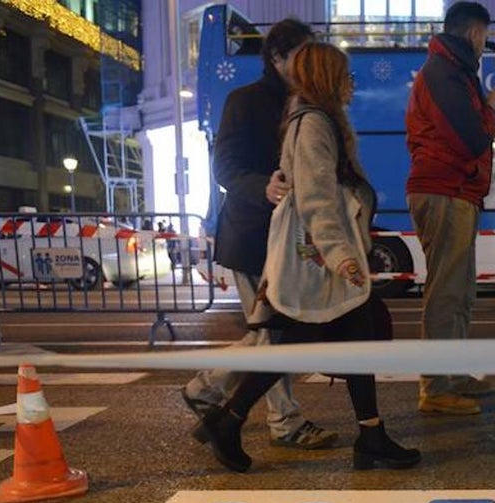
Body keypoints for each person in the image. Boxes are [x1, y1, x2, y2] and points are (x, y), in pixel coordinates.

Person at [191, 42, 420, 474]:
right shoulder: (315, 124)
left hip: (310, 260)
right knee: (325, 338)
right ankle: (231, 419)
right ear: (327, 80)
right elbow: (316, 201)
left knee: (334, 337)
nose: (352, 85)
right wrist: (341, 258)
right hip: (315, 262)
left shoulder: (310, 120)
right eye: (345, 76)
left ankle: (366, 435)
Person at [180, 19, 336, 450]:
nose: (308, 64)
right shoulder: (244, 101)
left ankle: (206, 388)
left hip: (291, 238)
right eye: (299, 56)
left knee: (273, 332)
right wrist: (262, 186)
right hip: (251, 236)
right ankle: (284, 422)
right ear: (277, 58)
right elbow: (225, 167)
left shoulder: (308, 103)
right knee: (272, 333)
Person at [406, 1, 495, 416]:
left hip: (458, 190)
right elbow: (472, 139)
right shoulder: (443, 74)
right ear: (473, 33)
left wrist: (488, 101)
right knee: (447, 290)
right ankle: (435, 387)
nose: (486, 44)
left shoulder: (455, 73)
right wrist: (493, 106)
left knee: (461, 289)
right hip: (445, 188)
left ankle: (450, 374)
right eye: (484, 36)